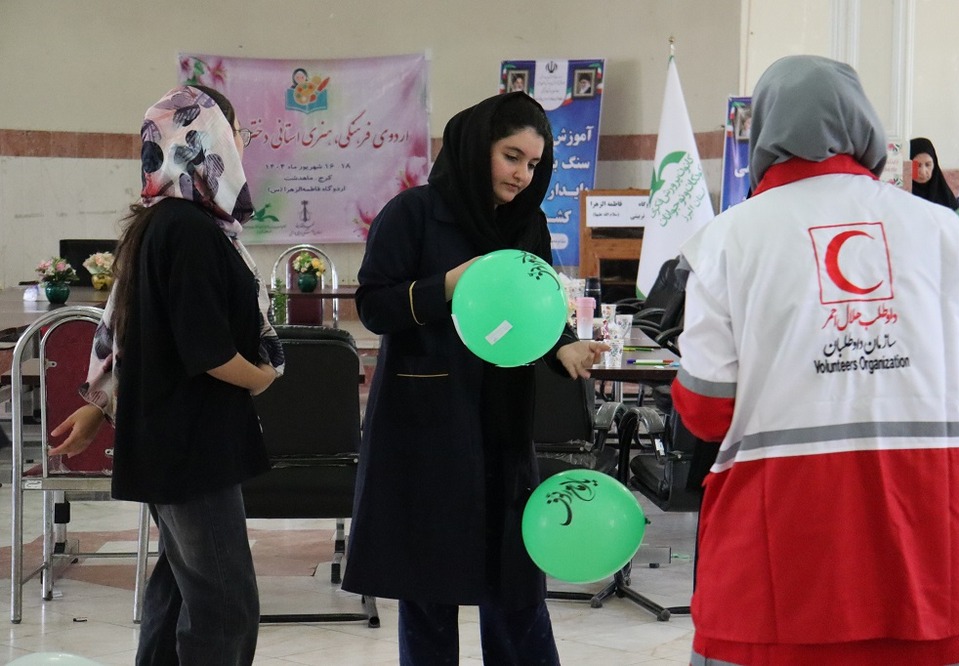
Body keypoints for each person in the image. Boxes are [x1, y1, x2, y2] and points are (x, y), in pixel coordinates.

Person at [670, 55, 959, 666]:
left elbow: (707, 412)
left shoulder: (725, 241)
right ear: (863, 124)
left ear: (764, 128)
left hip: (777, 559)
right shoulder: (941, 230)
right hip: (915, 550)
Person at [341, 91, 606, 665]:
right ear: (476, 147)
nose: (522, 174)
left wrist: (564, 344)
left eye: (533, 163)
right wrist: (448, 285)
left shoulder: (528, 223)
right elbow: (375, 306)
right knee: (428, 582)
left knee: (514, 575)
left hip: (501, 421)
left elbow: (537, 309)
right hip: (424, 425)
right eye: (512, 156)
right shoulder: (412, 213)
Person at [49, 84, 284, 665]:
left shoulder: (167, 221)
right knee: (224, 605)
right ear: (206, 143)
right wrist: (261, 379)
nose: (241, 150)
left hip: (174, 439)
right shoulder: (190, 230)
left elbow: (130, 328)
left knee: (180, 588)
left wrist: (98, 406)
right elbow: (206, 350)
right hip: (191, 445)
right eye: (236, 136)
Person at [910, 136, 959, 212]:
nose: (923, 171)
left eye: (928, 164)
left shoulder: (946, 198)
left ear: (935, 165)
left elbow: (958, 219)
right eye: (917, 165)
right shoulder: (900, 195)